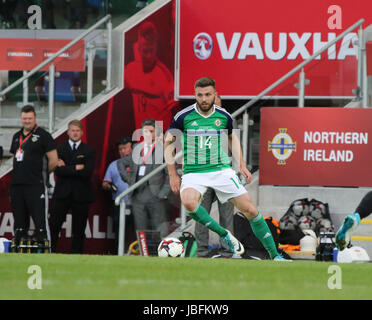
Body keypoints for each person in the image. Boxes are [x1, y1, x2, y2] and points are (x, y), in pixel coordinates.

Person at [164, 77, 290, 260]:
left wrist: (242, 165)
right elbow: (168, 141)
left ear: (215, 94)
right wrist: (172, 174)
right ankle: (224, 234)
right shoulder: (183, 116)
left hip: (221, 170)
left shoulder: (223, 116)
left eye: (208, 94)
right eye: (200, 95)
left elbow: (232, 138)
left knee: (251, 211)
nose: (204, 99)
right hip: (194, 172)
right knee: (189, 202)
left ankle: (275, 255)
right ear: (195, 95)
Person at [10, 105, 58, 248]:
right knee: (19, 224)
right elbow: (15, 158)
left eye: (30, 118)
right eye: (24, 118)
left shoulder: (44, 135)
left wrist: (40, 174)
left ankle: (46, 250)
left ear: (35, 118)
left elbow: (54, 160)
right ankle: (19, 250)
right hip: (18, 185)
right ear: (21, 118)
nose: (27, 121)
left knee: (40, 223)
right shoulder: (16, 136)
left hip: (36, 185)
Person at [193, 95, 235, 258]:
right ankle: (202, 250)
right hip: (203, 176)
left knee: (227, 217)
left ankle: (227, 250)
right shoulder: (195, 123)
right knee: (201, 216)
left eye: (217, 103)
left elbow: (236, 148)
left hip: (224, 177)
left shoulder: (228, 122)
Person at [49, 119, 95, 254]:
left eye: (77, 131)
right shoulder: (59, 148)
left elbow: (87, 172)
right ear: (68, 132)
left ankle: (76, 255)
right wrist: (76, 167)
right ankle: (50, 252)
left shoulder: (89, 150)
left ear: (82, 132)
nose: (75, 133)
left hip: (81, 195)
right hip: (62, 194)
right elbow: (58, 171)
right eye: (73, 130)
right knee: (54, 226)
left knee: (79, 229)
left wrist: (67, 167)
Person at [120, 119, 171, 238]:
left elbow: (170, 173)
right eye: (145, 131)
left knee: (159, 227)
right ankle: (143, 252)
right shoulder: (137, 147)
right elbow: (121, 163)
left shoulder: (163, 149)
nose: (147, 134)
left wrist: (163, 193)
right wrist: (128, 179)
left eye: (151, 131)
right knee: (140, 228)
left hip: (156, 194)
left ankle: (160, 253)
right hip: (138, 194)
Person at [125, 21, 176, 132]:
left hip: (159, 136)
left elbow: (174, 112)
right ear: (138, 49)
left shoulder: (164, 76)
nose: (148, 55)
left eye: (151, 51)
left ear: (156, 47)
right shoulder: (130, 70)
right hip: (139, 134)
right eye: (145, 51)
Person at [102, 136, 134, 252]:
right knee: (120, 233)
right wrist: (108, 186)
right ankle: (119, 254)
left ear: (132, 148)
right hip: (120, 204)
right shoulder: (113, 165)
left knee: (137, 232)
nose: (123, 151)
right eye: (120, 149)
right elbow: (105, 182)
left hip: (137, 204)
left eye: (125, 148)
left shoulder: (140, 163)